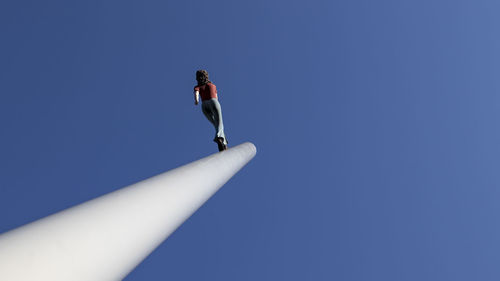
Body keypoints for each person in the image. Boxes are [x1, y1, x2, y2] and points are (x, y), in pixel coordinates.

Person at [194, 70, 228, 151]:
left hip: (204, 105)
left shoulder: (197, 87)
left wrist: (196, 101)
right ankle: (220, 138)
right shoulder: (212, 85)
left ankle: (224, 142)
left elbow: (196, 94)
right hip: (213, 102)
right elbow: (216, 97)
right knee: (219, 123)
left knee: (215, 124)